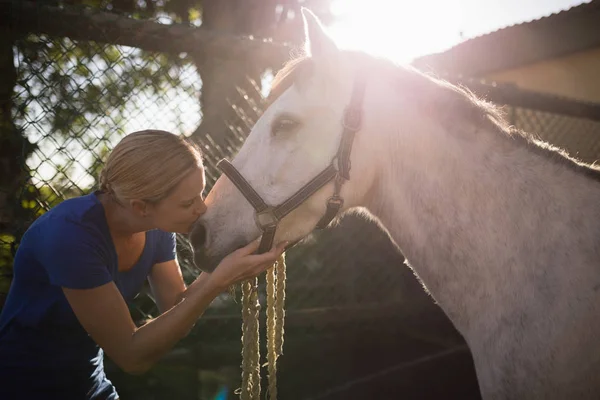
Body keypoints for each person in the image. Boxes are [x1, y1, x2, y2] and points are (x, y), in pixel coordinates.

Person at [0, 130, 286, 399]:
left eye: (201, 193)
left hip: (90, 386)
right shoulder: (70, 237)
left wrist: (222, 266)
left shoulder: (157, 228)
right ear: (140, 206)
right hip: (22, 385)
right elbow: (132, 357)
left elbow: (177, 308)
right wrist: (216, 281)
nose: (202, 208)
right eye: (188, 203)